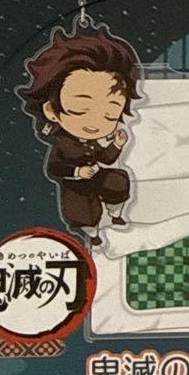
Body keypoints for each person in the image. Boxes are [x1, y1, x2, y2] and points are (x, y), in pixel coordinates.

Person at [19, 25, 141, 247]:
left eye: (109, 115)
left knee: (118, 181)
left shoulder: (93, 140)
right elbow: (54, 168)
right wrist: (77, 172)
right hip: (76, 187)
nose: (94, 123)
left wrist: (117, 144)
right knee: (84, 210)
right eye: (81, 110)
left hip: (96, 176)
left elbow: (105, 158)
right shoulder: (63, 144)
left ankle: (115, 212)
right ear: (52, 110)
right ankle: (93, 233)